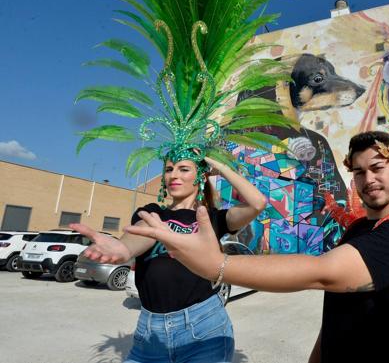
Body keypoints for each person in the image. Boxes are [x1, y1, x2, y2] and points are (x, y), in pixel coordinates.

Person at [124, 131, 389, 363]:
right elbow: (339, 314)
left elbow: (324, 273)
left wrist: (218, 266)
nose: (368, 179)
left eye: (377, 167)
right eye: (358, 172)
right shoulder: (358, 229)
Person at [70, 150, 266, 363]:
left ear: (199, 176)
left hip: (204, 327)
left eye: (184, 169)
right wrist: (123, 249)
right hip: (150, 333)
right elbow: (142, 233)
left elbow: (257, 203)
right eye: (169, 169)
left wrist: (219, 167)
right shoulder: (154, 213)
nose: (174, 175)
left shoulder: (211, 218)